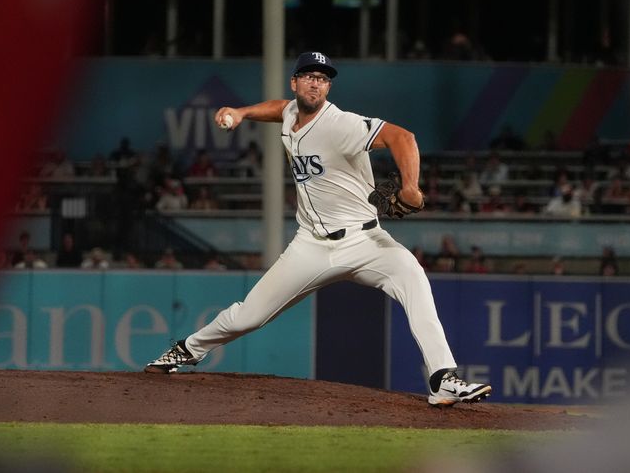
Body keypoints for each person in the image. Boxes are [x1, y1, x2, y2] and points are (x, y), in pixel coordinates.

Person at [145, 51, 491, 406]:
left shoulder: (339, 124)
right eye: (309, 76)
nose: (316, 83)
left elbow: (403, 137)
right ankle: (185, 350)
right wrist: (243, 112)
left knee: (414, 279)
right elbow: (280, 108)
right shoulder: (293, 112)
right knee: (249, 315)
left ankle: (442, 378)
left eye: (323, 78)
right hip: (310, 245)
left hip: (365, 240)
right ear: (295, 82)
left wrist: (411, 187)